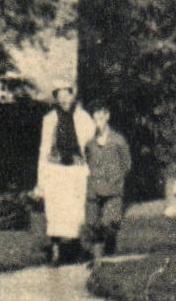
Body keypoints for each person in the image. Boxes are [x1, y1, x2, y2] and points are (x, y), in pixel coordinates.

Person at [33, 82, 93, 264]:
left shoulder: (83, 118)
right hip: (56, 170)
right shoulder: (50, 119)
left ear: (73, 95)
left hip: (76, 169)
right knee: (55, 210)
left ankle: (75, 248)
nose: (64, 99)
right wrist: (41, 178)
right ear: (56, 98)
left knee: (75, 210)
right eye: (60, 95)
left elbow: (90, 145)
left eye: (67, 94)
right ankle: (56, 251)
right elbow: (44, 148)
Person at [81, 103, 130, 259]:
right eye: (96, 113)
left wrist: (117, 178)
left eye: (102, 113)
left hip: (113, 188)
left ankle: (109, 247)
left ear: (108, 116)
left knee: (109, 222)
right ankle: (98, 261)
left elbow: (126, 163)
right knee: (92, 224)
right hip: (94, 188)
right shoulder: (89, 141)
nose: (99, 116)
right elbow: (85, 161)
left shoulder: (118, 139)